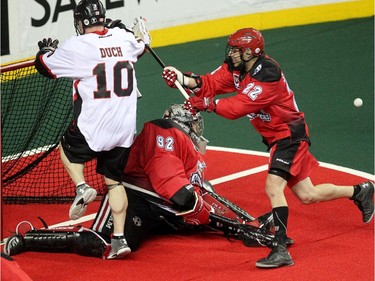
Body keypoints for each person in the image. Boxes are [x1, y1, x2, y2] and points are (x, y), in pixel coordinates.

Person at [161, 28, 374, 268]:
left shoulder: (268, 74)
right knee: (307, 195)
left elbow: (236, 108)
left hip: (289, 135)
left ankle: (280, 248)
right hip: (276, 138)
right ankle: (360, 191)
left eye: (236, 50)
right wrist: (181, 78)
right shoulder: (236, 68)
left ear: (252, 52)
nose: (231, 54)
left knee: (273, 187)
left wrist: (206, 104)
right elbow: (208, 83)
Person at [4, 105, 287, 259]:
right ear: (185, 124)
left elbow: (197, 191)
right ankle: (27, 238)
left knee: (193, 218)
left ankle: (247, 228)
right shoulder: (165, 136)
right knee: (98, 244)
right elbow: (179, 194)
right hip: (135, 199)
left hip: (162, 204)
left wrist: (238, 222)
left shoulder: (184, 147)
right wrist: (199, 211)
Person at [33, 0, 151, 259]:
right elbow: (142, 45)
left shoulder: (77, 46)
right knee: (114, 182)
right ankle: (119, 239)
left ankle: (82, 186)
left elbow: (44, 67)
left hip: (94, 127)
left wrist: (45, 51)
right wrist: (131, 34)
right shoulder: (122, 37)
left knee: (66, 148)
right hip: (123, 128)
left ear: (81, 22)